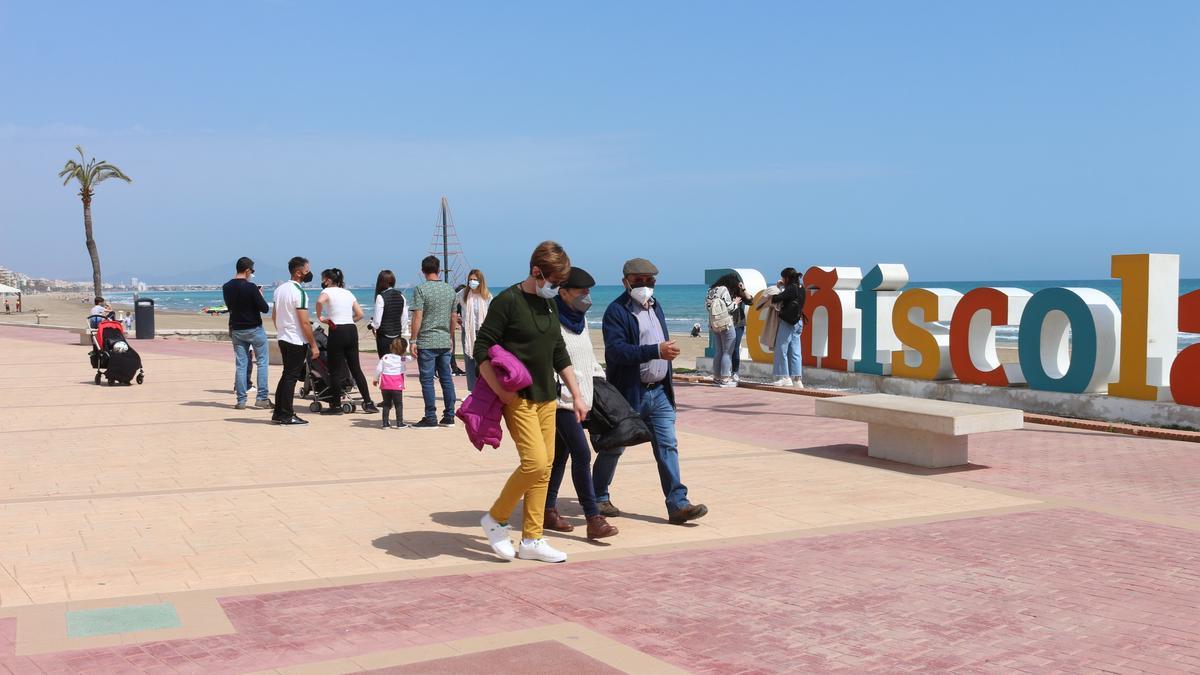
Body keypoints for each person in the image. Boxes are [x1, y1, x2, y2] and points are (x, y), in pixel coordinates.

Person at [475, 241, 588, 563]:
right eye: (553, 282)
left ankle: (532, 539)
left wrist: (576, 394)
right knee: (535, 463)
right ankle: (496, 518)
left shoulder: (548, 304)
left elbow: (557, 351)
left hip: (547, 397)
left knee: (545, 469)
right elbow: (481, 348)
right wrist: (500, 391)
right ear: (537, 273)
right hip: (518, 398)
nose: (556, 288)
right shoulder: (508, 301)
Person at [592, 258, 708, 525]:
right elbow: (616, 352)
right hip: (629, 393)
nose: (645, 285)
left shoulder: (657, 307)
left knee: (667, 446)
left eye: (650, 281)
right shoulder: (616, 312)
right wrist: (656, 351)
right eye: (638, 280)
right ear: (626, 282)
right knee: (614, 448)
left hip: (660, 394)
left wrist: (666, 356)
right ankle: (598, 496)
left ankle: (678, 504)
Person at [543, 266, 619, 540]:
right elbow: (552, 361)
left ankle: (547, 509)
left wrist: (600, 381)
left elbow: (586, 357)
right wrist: (568, 392)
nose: (587, 297)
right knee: (582, 454)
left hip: (581, 398)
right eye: (582, 292)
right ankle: (593, 518)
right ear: (563, 293)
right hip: (560, 400)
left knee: (561, 455)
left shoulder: (580, 319)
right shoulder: (551, 319)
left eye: (589, 292)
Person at [315, 268, 378, 414]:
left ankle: (336, 406)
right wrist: (349, 320)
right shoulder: (348, 292)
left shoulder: (328, 292)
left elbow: (319, 301)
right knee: (356, 369)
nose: (323, 282)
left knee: (335, 370)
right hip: (351, 329)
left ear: (328, 280)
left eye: (323, 279)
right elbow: (360, 314)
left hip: (337, 330)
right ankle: (368, 402)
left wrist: (320, 317)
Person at [410, 256, 459, 428]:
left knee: (428, 380)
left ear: (423, 271)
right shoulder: (450, 290)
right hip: (444, 340)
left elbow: (418, 315)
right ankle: (449, 415)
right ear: (438, 270)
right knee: (446, 379)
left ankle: (430, 416)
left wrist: (413, 339)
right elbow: (454, 317)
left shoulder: (421, 289)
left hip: (426, 340)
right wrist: (450, 336)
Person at [271, 256, 318, 426]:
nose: (308, 273)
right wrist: (313, 344)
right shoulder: (299, 292)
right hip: (296, 340)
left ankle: (278, 412)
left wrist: (282, 330)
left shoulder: (279, 289)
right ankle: (287, 414)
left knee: (286, 375)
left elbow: (275, 316)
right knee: (290, 377)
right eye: (307, 271)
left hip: (283, 337)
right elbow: (304, 322)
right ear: (298, 273)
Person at [222, 256, 271, 410]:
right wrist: (260, 295)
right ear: (248, 270)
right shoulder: (251, 287)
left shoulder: (226, 287)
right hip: (254, 328)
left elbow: (231, 308)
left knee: (241, 364)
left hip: (237, 329)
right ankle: (262, 398)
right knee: (262, 362)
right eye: (252, 271)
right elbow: (264, 308)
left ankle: (241, 400)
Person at [456, 268, 492, 392]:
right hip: (468, 331)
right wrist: (457, 318)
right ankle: (472, 390)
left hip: (482, 332)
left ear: (480, 281)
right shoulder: (462, 294)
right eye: (470, 279)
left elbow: (492, 313)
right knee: (469, 361)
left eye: (475, 280)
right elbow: (452, 305)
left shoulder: (487, 295)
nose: (472, 282)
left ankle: (483, 390)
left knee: (482, 361)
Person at [770, 267, 806, 387]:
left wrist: (778, 287)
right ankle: (797, 379)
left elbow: (776, 298)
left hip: (788, 322)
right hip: (799, 321)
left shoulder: (791, 288)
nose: (782, 280)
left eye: (783, 278)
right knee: (796, 351)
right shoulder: (802, 288)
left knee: (781, 348)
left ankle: (784, 376)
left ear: (787, 278)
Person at [706, 274, 740, 388]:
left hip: (714, 324)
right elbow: (730, 308)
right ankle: (725, 378)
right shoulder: (724, 289)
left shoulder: (711, 290)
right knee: (727, 351)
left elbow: (707, 307)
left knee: (719, 351)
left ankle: (716, 377)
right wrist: (736, 302)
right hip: (726, 324)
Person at [369, 270, 409, 358]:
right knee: (397, 361)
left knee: (385, 361)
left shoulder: (380, 297)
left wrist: (371, 325)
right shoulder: (402, 296)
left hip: (384, 337)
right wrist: (399, 330)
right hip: (397, 335)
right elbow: (405, 317)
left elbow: (377, 323)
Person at [374, 336, 412, 429]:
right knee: (398, 404)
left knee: (386, 404)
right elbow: (411, 359)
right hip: (396, 385)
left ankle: (385, 423)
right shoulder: (402, 359)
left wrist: (376, 379)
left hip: (385, 385)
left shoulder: (385, 357)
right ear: (404, 349)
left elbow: (378, 369)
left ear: (391, 347)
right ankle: (399, 422)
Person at [729, 276, 753, 383]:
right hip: (728, 324)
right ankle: (726, 371)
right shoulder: (727, 293)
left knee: (735, 348)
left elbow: (751, 301)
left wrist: (743, 289)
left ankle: (735, 372)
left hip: (739, 324)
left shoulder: (741, 294)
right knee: (726, 348)